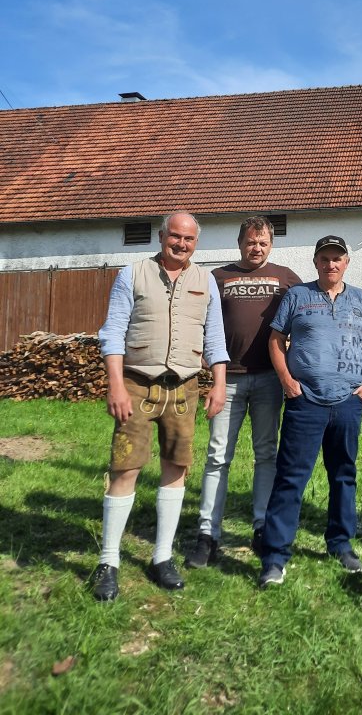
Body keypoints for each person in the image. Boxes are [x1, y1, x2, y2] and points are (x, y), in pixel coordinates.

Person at [91, 212, 229, 601]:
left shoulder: (206, 281)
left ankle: (162, 557)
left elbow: (215, 337)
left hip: (184, 388)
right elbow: (113, 332)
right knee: (125, 467)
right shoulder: (132, 274)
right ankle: (108, 561)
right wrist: (116, 385)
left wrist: (219, 384)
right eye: (175, 236)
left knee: (176, 467)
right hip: (136, 385)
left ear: (196, 243)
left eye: (189, 239)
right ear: (161, 236)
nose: (181, 244)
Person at [258, 235, 362, 587]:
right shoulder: (297, 296)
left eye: (337, 258)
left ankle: (340, 544)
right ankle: (275, 556)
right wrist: (287, 380)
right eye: (325, 258)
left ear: (346, 263)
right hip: (306, 400)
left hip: (348, 402)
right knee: (290, 478)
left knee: (343, 474)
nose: (331, 264)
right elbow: (275, 340)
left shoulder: (360, 299)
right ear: (316, 262)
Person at [186, 216, 301, 567]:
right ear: (239, 243)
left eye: (263, 242)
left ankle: (262, 527)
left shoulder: (286, 278)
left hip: (269, 379)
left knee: (266, 453)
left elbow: (305, 318)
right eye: (251, 242)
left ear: (271, 245)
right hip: (228, 379)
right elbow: (197, 319)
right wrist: (204, 357)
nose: (257, 248)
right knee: (217, 455)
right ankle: (207, 534)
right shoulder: (218, 277)